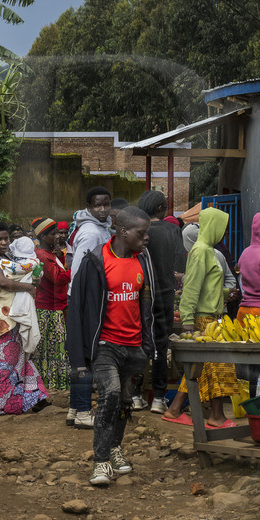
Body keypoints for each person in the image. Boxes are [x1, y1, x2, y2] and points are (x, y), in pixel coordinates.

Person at [68, 207, 168, 486]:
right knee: (110, 394)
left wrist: (150, 346)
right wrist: (78, 356)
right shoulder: (95, 260)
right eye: (142, 233)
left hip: (135, 347)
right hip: (105, 345)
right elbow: (77, 306)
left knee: (124, 402)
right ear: (123, 232)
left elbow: (149, 304)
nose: (147, 238)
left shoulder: (144, 259)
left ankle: (115, 448)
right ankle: (100, 463)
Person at [165, 208, 237, 427]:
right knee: (218, 366)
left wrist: (224, 293)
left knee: (202, 367)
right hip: (204, 319)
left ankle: (176, 409)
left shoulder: (208, 251)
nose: (224, 233)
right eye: (222, 228)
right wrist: (187, 321)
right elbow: (192, 288)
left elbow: (207, 287)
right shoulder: (202, 251)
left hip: (212, 316)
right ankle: (215, 416)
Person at [0, 222, 48, 416]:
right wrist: (29, 288)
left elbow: (24, 276)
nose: (4, 242)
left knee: (15, 361)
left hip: (12, 317)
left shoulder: (10, 257)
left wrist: (33, 279)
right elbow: (3, 282)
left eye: (7, 238)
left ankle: (19, 402)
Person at [65, 187, 114, 428]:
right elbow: (78, 275)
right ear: (88, 207)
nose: (102, 210)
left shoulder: (100, 229)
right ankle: (84, 410)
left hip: (87, 299)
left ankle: (75, 408)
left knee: (82, 353)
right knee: (86, 354)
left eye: (106, 205)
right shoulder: (92, 233)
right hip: (84, 301)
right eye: (97, 206)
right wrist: (82, 306)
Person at [139, 190, 185, 414]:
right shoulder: (173, 230)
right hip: (165, 294)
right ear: (160, 209)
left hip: (139, 295)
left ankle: (136, 395)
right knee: (160, 344)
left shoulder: (139, 230)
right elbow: (180, 266)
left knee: (138, 341)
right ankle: (158, 397)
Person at [30, 218, 71, 392]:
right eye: (53, 234)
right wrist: (74, 270)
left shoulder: (50, 255)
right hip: (48, 308)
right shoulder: (42, 256)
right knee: (51, 347)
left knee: (54, 346)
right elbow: (57, 278)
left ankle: (50, 382)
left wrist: (59, 256)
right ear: (43, 236)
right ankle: (46, 382)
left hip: (55, 306)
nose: (56, 237)